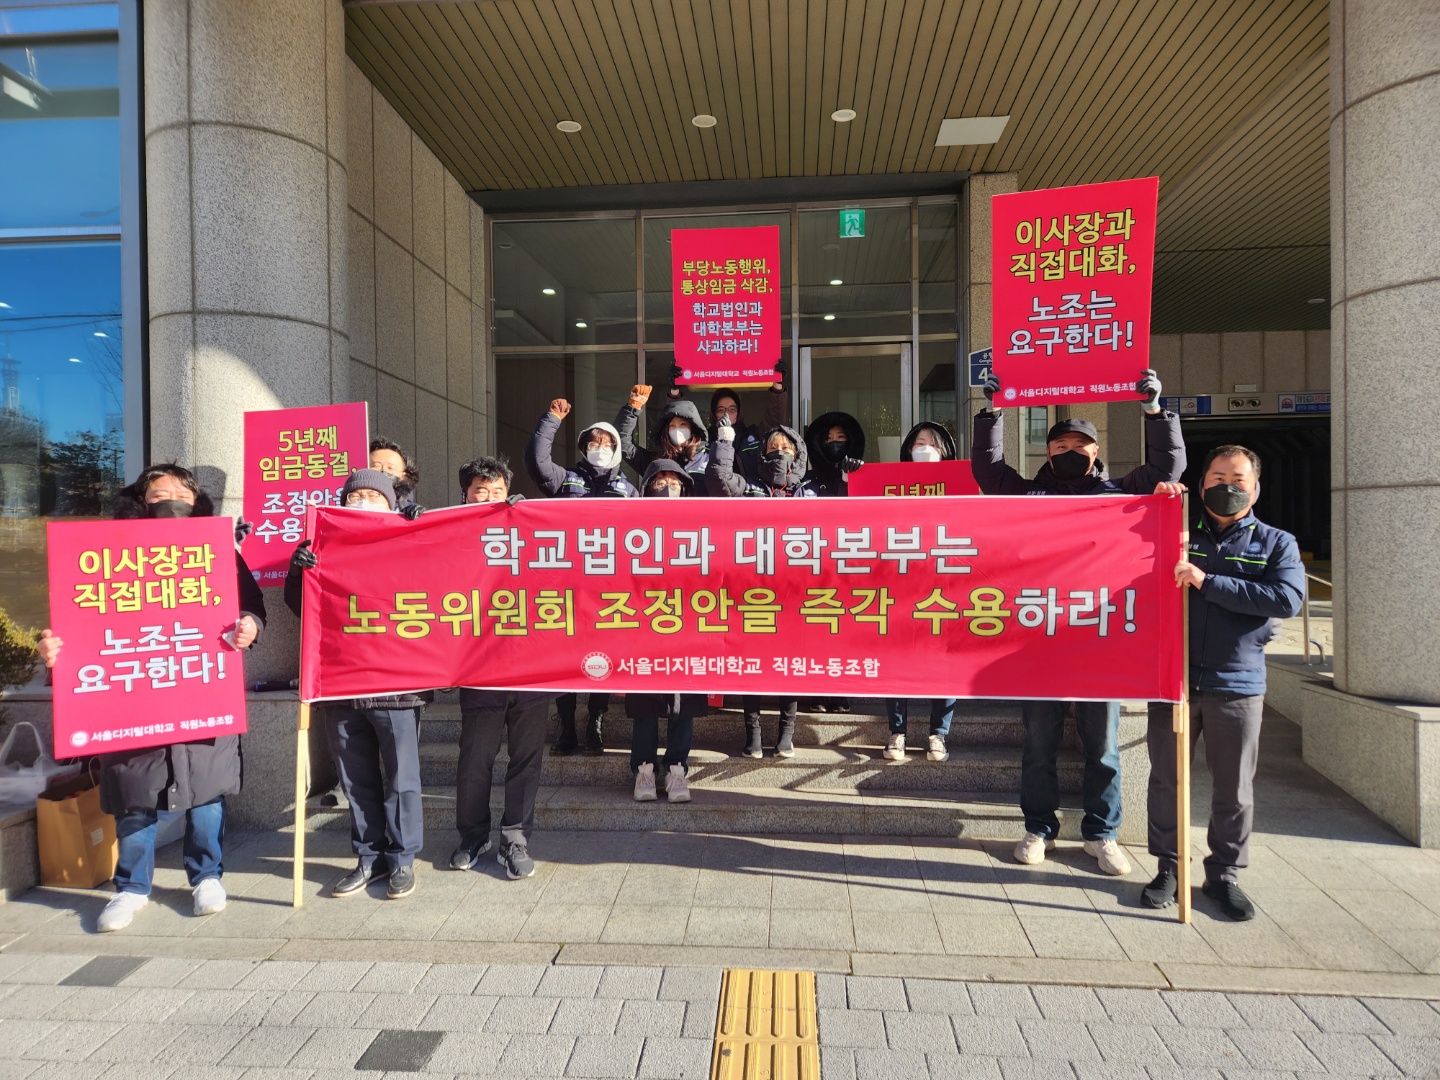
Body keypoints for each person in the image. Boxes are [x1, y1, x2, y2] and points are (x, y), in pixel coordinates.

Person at [34, 464, 266, 933]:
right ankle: (132, 887)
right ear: (139, 502)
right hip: (133, 699)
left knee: (206, 795)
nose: (170, 501)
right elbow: (78, 621)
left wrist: (249, 627)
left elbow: (252, 605)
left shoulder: (217, 550)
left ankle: (206, 877)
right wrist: (55, 652)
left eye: (182, 493)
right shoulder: (102, 555)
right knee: (135, 799)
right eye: (159, 494)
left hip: (199, 691)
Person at [973, 368, 1184, 877]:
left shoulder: (1119, 492)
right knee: (1040, 743)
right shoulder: (1024, 497)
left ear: (1096, 451)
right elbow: (989, 469)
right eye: (1061, 442)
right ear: (1047, 452)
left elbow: (1169, 465)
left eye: (1081, 443)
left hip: (1100, 639)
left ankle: (1102, 834)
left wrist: (1156, 412)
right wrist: (994, 410)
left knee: (1103, 746)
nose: (1071, 449)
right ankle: (1038, 827)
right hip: (1037, 642)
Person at [1142, 445, 1303, 920]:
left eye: (1238, 479)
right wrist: (1155, 503)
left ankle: (1224, 874)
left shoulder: (1276, 543)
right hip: (1174, 680)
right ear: (1201, 483)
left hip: (1238, 682)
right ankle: (1169, 867)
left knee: (1233, 787)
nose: (1227, 487)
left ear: (1255, 488)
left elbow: (1286, 598)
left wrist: (1207, 581)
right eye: (1216, 477)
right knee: (1167, 780)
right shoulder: (1174, 531)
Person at [285, 469, 425, 900]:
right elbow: (301, 608)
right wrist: (299, 571)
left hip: (397, 683)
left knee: (401, 778)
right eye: (355, 495)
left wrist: (420, 533)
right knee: (355, 779)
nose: (363, 501)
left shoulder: (409, 536)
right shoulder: (322, 545)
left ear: (392, 502)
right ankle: (369, 857)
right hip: (342, 682)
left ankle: (402, 858)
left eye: (373, 495)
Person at [449, 456, 554, 880]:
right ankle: (473, 836)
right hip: (479, 668)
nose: (490, 499)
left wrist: (533, 525)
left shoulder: (529, 533)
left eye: (497, 492)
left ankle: (515, 838)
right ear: (465, 495)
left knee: (526, 760)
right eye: (481, 491)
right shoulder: (450, 536)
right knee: (475, 759)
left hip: (531, 667)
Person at [524, 398, 635, 754]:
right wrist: (552, 420)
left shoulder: (628, 491)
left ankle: (596, 722)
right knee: (566, 656)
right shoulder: (566, 479)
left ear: (617, 450)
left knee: (600, 654)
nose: (600, 448)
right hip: (567, 588)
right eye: (593, 442)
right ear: (584, 447)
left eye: (607, 443)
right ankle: (567, 725)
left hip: (608, 591)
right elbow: (537, 461)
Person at [707, 416, 815, 757]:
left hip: (795, 593)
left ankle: (786, 732)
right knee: (751, 663)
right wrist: (725, 440)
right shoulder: (749, 483)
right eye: (773, 448)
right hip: (752, 592)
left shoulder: (809, 490)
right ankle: (752, 731)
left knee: (788, 664)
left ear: (798, 453)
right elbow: (719, 480)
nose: (779, 452)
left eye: (786, 447)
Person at [884, 421, 960, 762]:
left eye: (930, 442)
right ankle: (897, 732)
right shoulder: (891, 487)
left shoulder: (960, 487)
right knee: (897, 661)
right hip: (901, 587)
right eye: (916, 442)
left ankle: (938, 734)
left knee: (943, 665)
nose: (923, 447)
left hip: (945, 588)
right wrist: (851, 478)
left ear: (944, 450)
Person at [628, 459, 702, 803]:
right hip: (644, 626)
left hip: (686, 626)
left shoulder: (698, 526)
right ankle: (644, 771)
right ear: (647, 487)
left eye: (674, 480)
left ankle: (676, 770)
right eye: (660, 481)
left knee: (682, 701)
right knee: (645, 701)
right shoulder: (633, 525)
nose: (668, 486)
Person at [802, 411, 867, 713]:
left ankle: (841, 691)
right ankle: (815, 690)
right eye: (829, 438)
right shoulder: (808, 480)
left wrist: (848, 479)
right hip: (813, 568)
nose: (835, 443)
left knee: (844, 632)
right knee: (815, 631)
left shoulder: (862, 476)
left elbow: (857, 516)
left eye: (841, 438)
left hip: (847, 567)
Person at [615, 385, 711, 494]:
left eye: (683, 424)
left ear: (693, 428)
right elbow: (623, 443)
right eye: (672, 426)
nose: (677, 429)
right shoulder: (656, 463)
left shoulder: (709, 458)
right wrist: (633, 408)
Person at [369, 437, 424, 519]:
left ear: (403, 476)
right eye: (376, 466)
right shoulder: (349, 501)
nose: (383, 470)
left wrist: (421, 518)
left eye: (390, 468)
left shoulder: (407, 510)